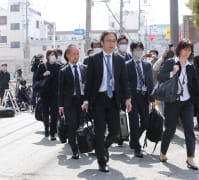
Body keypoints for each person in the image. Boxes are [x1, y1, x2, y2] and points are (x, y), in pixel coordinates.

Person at [82, 31, 132, 173]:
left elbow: (124, 82)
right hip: (98, 99)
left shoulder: (119, 60)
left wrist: (128, 98)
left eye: (113, 41)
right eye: (108, 41)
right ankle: (101, 162)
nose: (111, 43)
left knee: (115, 130)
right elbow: (89, 82)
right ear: (102, 43)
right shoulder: (94, 59)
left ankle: (102, 147)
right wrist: (86, 100)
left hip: (113, 99)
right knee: (99, 131)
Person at [158, 40, 199, 170]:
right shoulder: (171, 62)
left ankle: (190, 158)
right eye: (185, 49)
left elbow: (193, 84)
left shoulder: (191, 66)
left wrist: (194, 100)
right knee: (170, 129)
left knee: (189, 129)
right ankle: (163, 152)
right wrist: (172, 73)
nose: (187, 52)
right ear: (179, 49)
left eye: (189, 49)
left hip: (187, 102)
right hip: (172, 102)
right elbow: (160, 77)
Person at [126, 41, 155, 158]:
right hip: (133, 97)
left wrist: (152, 98)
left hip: (144, 97)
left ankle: (133, 139)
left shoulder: (147, 65)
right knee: (133, 122)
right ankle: (137, 148)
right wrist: (126, 98)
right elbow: (125, 83)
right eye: (136, 50)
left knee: (146, 122)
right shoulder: (126, 65)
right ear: (132, 51)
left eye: (140, 49)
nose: (139, 52)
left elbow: (150, 82)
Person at [58, 44, 87, 159]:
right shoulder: (63, 71)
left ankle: (82, 145)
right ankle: (74, 150)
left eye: (77, 54)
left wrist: (87, 100)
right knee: (72, 125)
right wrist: (60, 106)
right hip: (70, 102)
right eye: (73, 54)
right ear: (68, 55)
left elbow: (88, 86)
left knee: (81, 125)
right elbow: (60, 91)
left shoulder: (84, 68)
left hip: (82, 100)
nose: (76, 56)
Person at [35, 49, 61, 140]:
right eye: (50, 54)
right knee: (45, 112)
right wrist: (43, 74)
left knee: (54, 114)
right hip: (44, 93)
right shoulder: (42, 66)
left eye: (54, 54)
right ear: (47, 56)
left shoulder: (59, 66)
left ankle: (53, 133)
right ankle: (46, 129)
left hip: (55, 93)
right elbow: (36, 78)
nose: (52, 56)